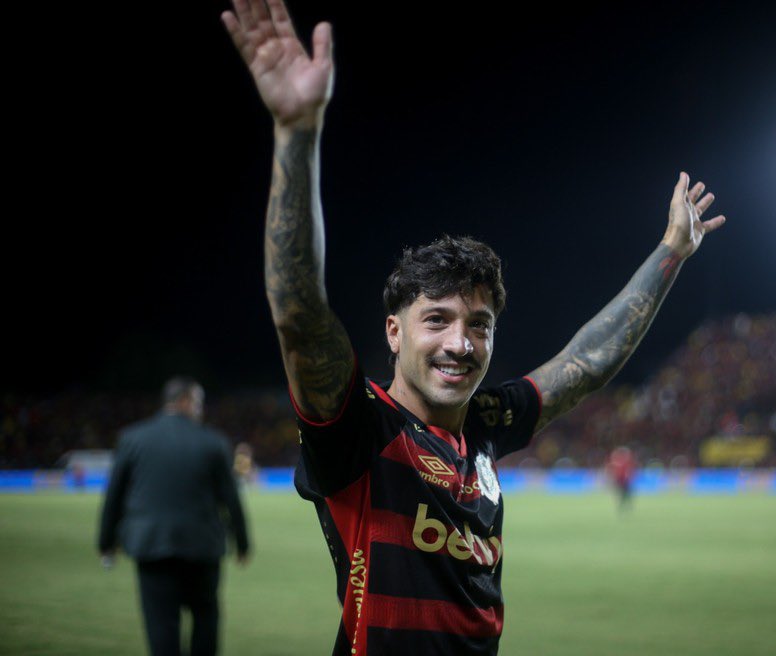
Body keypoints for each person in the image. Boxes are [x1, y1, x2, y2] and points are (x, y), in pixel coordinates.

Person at [221, 1, 725, 653]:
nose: (460, 343)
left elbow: (587, 362)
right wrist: (297, 132)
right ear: (394, 332)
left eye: (479, 325)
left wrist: (671, 252)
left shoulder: (484, 425)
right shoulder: (358, 430)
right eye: (437, 320)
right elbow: (299, 315)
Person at [98, 377, 251, 656]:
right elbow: (231, 499)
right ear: (185, 401)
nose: (200, 410)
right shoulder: (213, 442)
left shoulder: (133, 438)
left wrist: (106, 542)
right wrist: (242, 543)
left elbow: (114, 496)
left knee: (161, 624)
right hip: (203, 548)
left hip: (152, 546)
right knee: (205, 620)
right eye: (198, 403)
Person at [607, 445, 638, 512]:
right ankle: (623, 506)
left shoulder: (622, 461)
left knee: (625, 494)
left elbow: (630, 470)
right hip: (621, 480)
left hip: (624, 480)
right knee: (623, 494)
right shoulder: (620, 461)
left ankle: (624, 506)